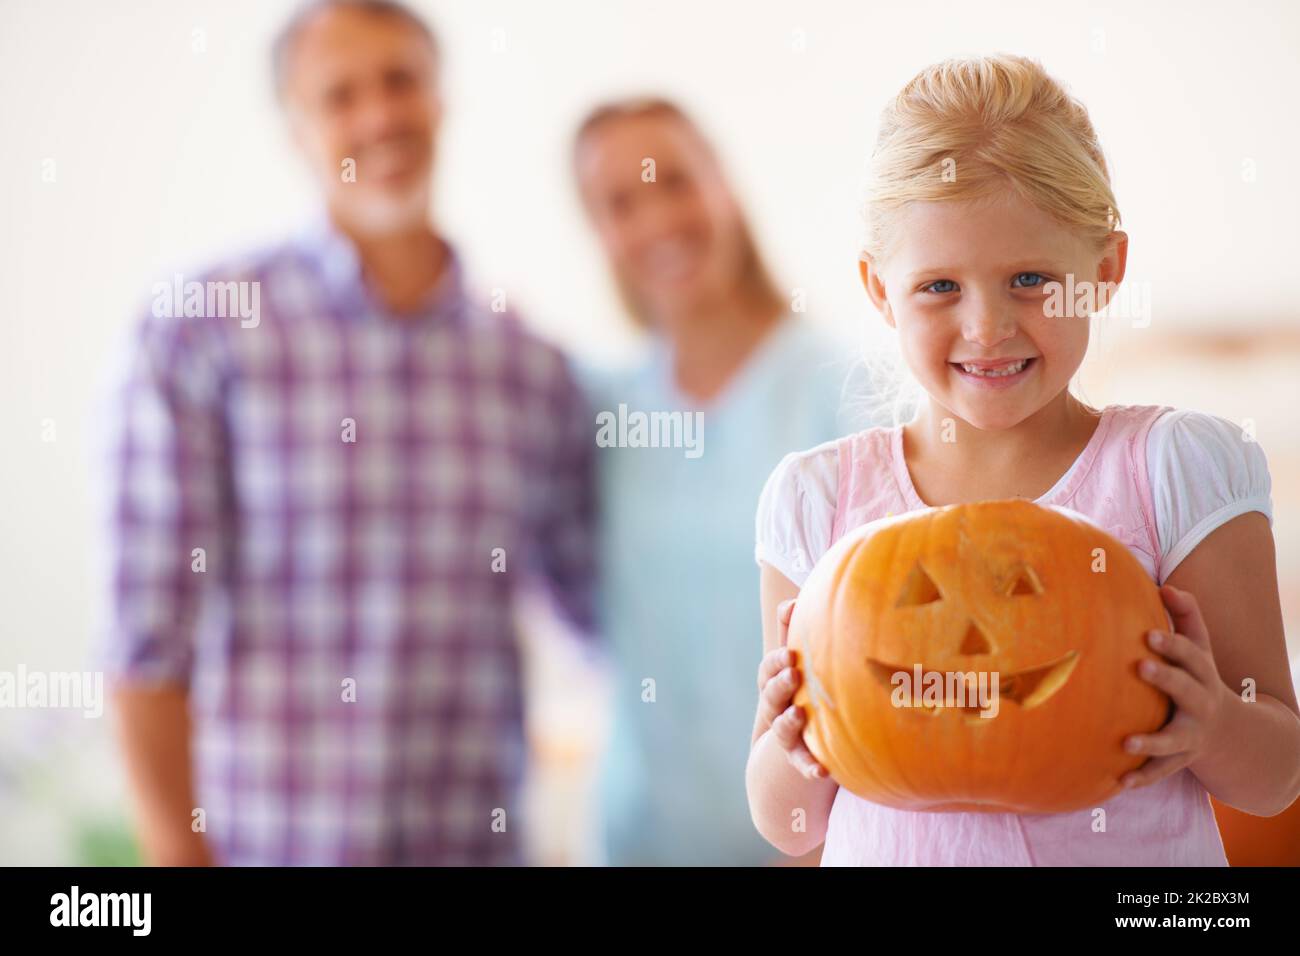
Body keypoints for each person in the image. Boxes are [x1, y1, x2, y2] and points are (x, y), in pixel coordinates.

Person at [747, 54, 1300, 865]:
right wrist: (791, 743)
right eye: (939, 286)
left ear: (1105, 271)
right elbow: (788, 825)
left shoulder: (1174, 469)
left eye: (1030, 279)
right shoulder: (818, 499)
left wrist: (1212, 721)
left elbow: (1279, 776)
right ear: (878, 290)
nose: (986, 328)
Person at [98, 0, 594, 865]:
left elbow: (597, 601)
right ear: (297, 129)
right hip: (268, 846)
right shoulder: (201, 329)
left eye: (401, 80)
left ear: (441, 98)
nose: (379, 115)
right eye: (340, 95)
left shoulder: (530, 366)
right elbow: (146, 633)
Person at [574, 98, 882, 865]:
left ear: (725, 187)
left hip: (811, 845)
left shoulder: (846, 389)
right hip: (637, 838)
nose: (656, 220)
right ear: (598, 234)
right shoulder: (602, 406)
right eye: (620, 203)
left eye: (676, 181)